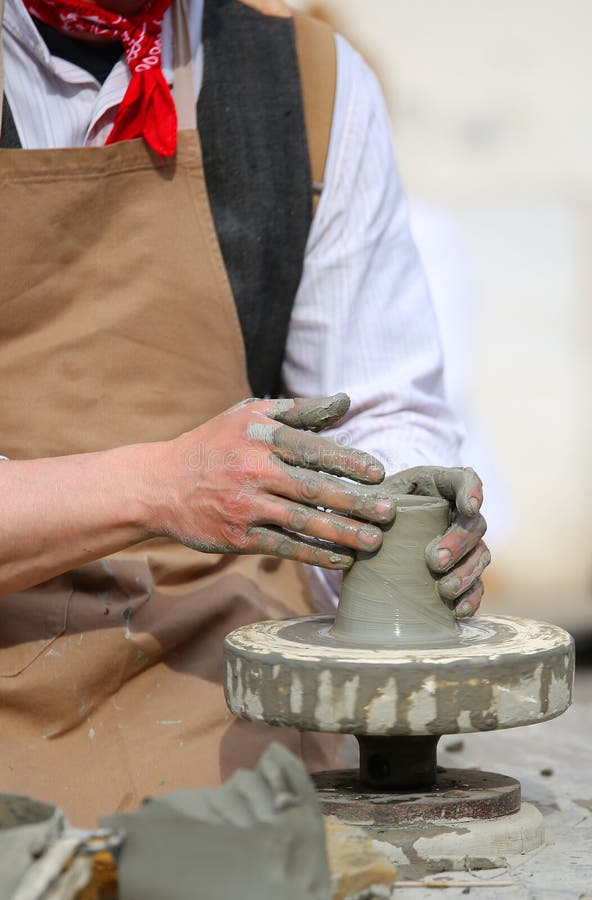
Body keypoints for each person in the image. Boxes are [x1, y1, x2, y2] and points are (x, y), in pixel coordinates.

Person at [0, 0, 489, 825]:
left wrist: (405, 523)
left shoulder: (309, 79)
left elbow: (380, 399)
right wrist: (161, 486)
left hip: (226, 666)